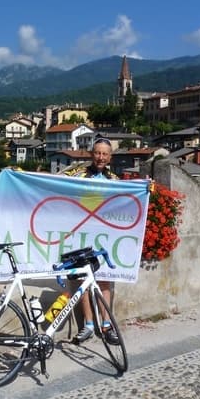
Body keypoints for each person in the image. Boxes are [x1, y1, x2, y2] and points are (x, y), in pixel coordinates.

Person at [63, 137, 119, 345]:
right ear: (91, 154)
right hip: (81, 235)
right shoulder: (75, 174)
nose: (101, 157)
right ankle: (87, 325)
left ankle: (106, 325)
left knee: (104, 281)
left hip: (106, 236)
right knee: (82, 281)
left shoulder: (115, 180)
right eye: (97, 153)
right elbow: (52, 184)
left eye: (105, 154)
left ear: (110, 157)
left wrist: (147, 187)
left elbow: (129, 200)